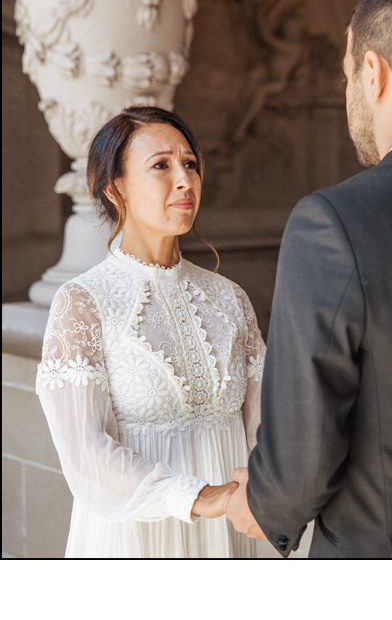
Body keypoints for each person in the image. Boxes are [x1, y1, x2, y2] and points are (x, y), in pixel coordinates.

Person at [225, 0, 392, 557]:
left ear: (373, 73)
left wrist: (265, 503)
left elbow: (303, 439)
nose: (345, 87)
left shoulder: (335, 219)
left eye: (347, 72)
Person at [36, 106, 263, 557]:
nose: (185, 179)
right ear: (115, 188)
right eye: (161, 165)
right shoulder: (83, 302)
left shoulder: (230, 299)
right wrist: (198, 497)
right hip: (137, 540)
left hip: (235, 531)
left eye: (190, 164)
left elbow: (263, 423)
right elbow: (85, 452)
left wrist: (260, 491)